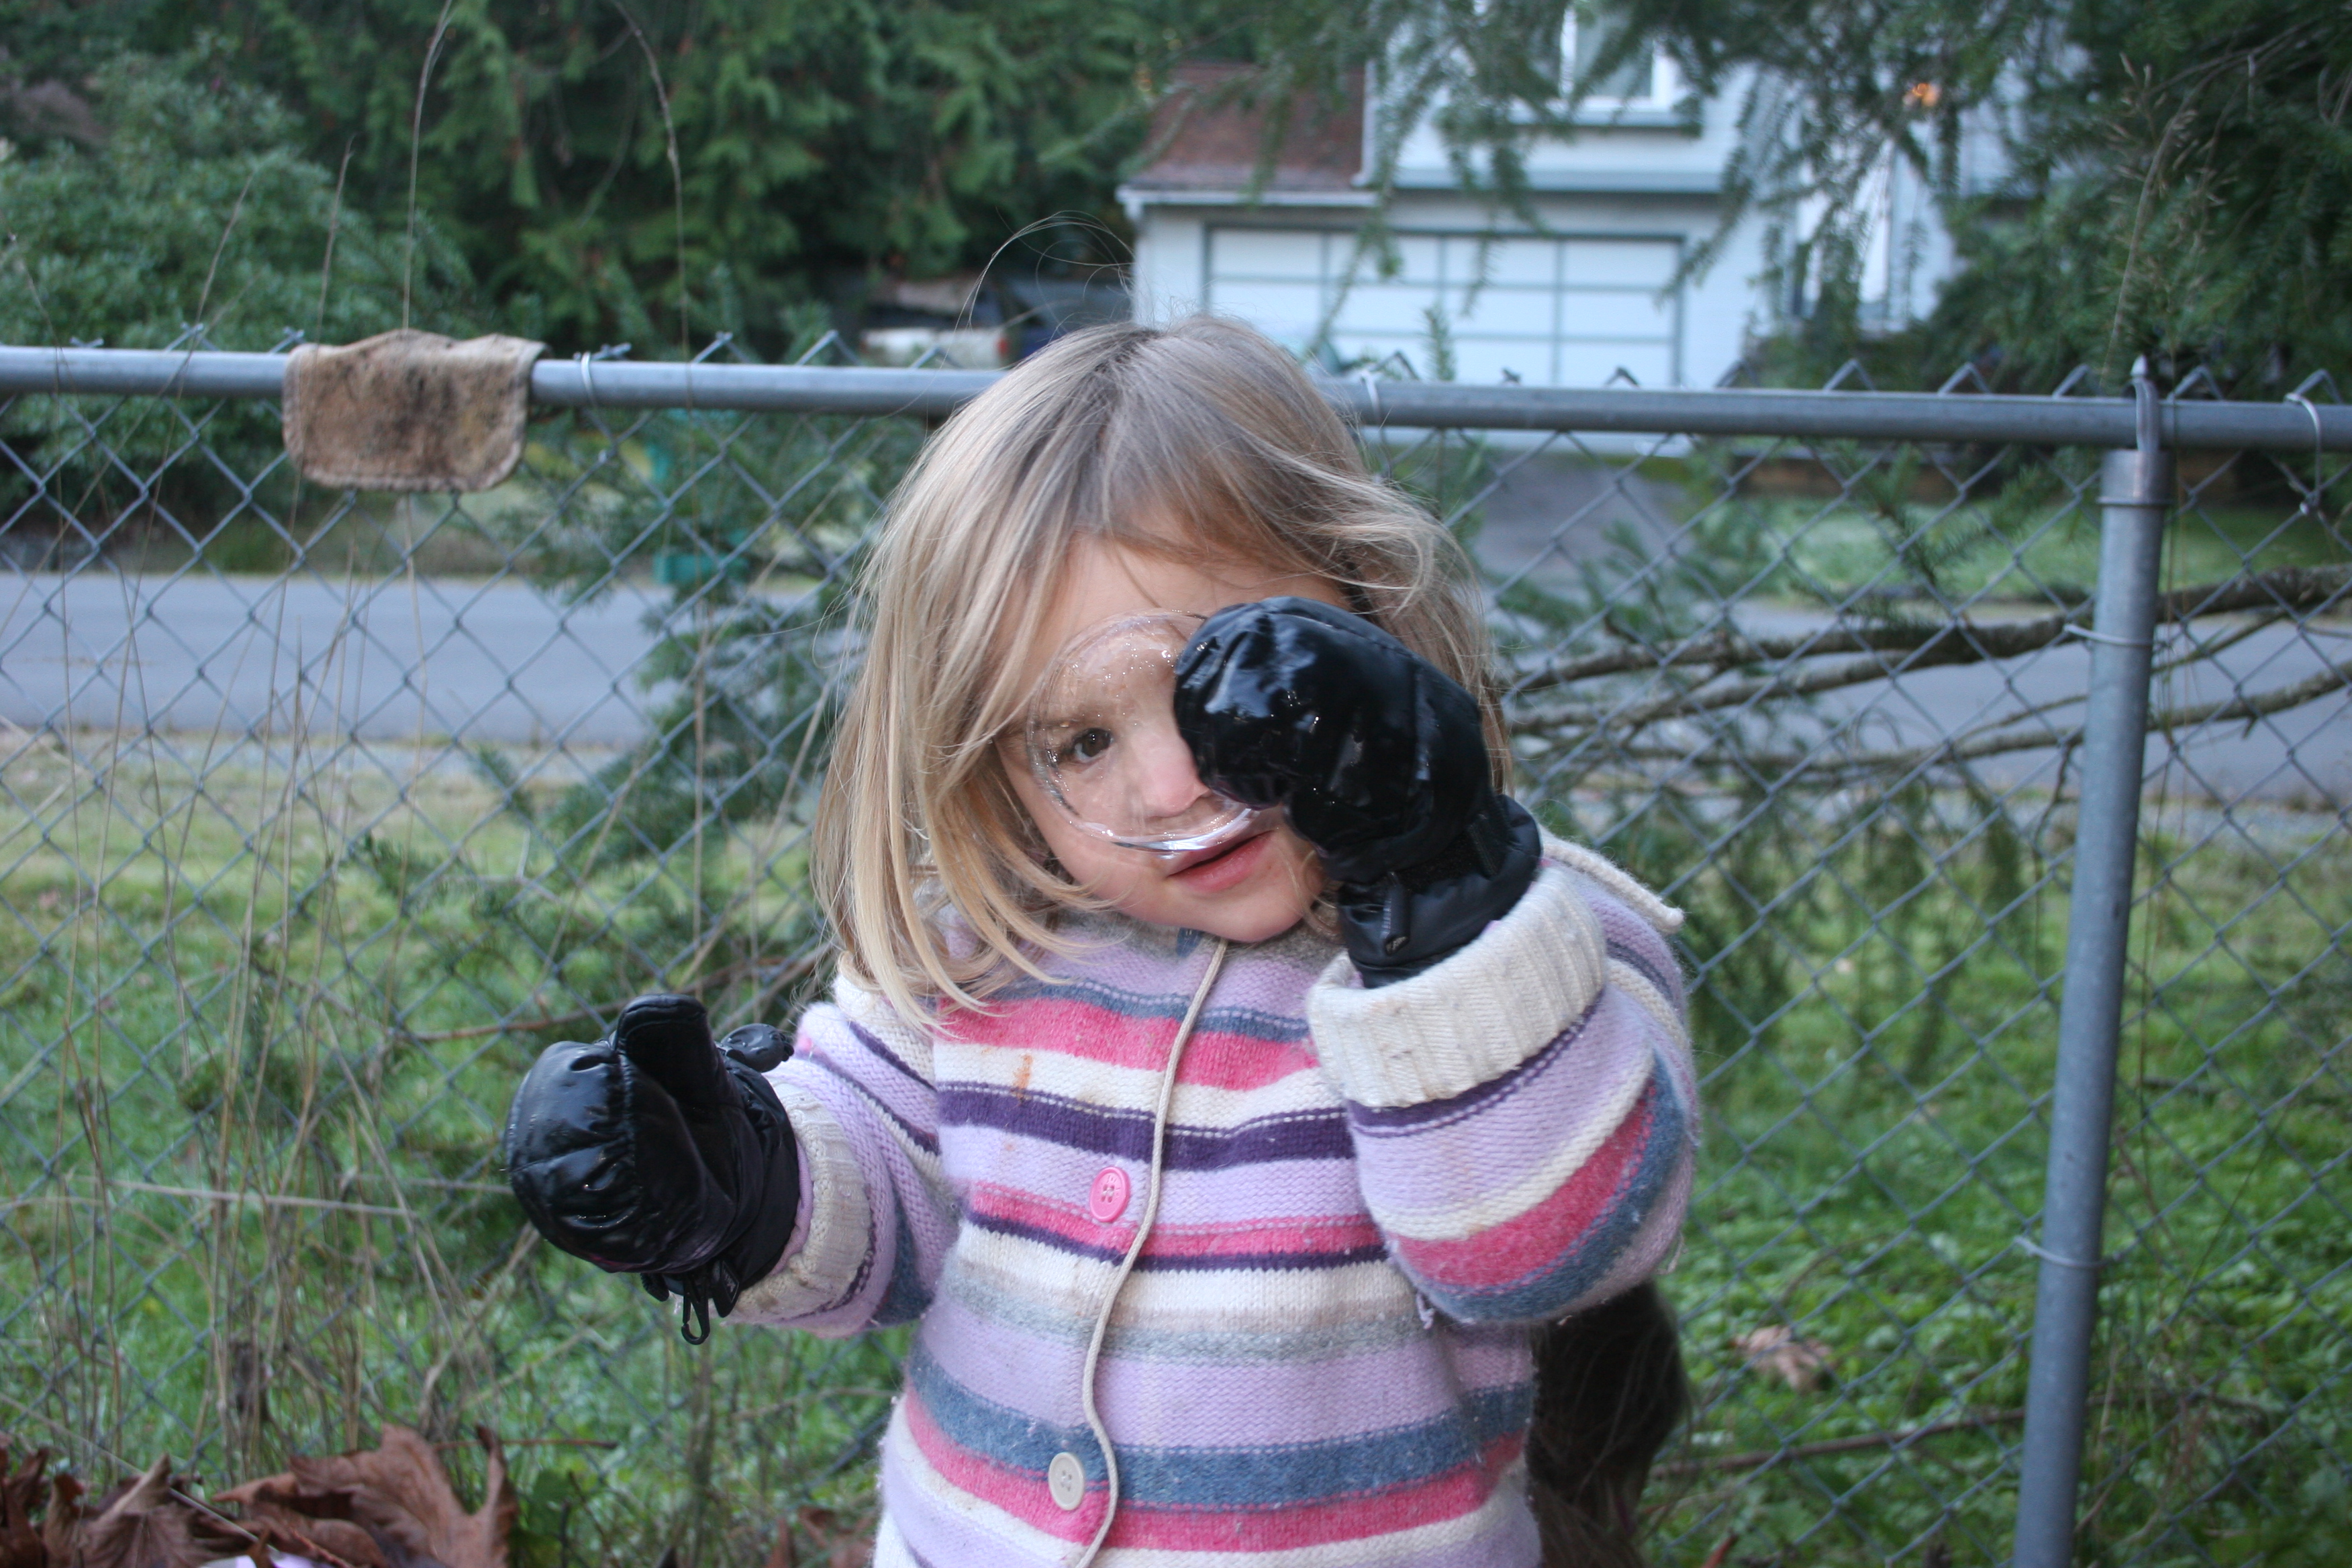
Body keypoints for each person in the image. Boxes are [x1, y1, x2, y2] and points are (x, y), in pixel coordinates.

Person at [502, 315, 1698, 1568]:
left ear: (1365, 607)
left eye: (1221, 688)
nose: (1173, 786)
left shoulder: (1526, 943)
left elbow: (1545, 1248)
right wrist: (734, 1187)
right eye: (1078, 741)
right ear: (995, 769)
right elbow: (883, 1194)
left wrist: (1436, 888)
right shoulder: (982, 955)